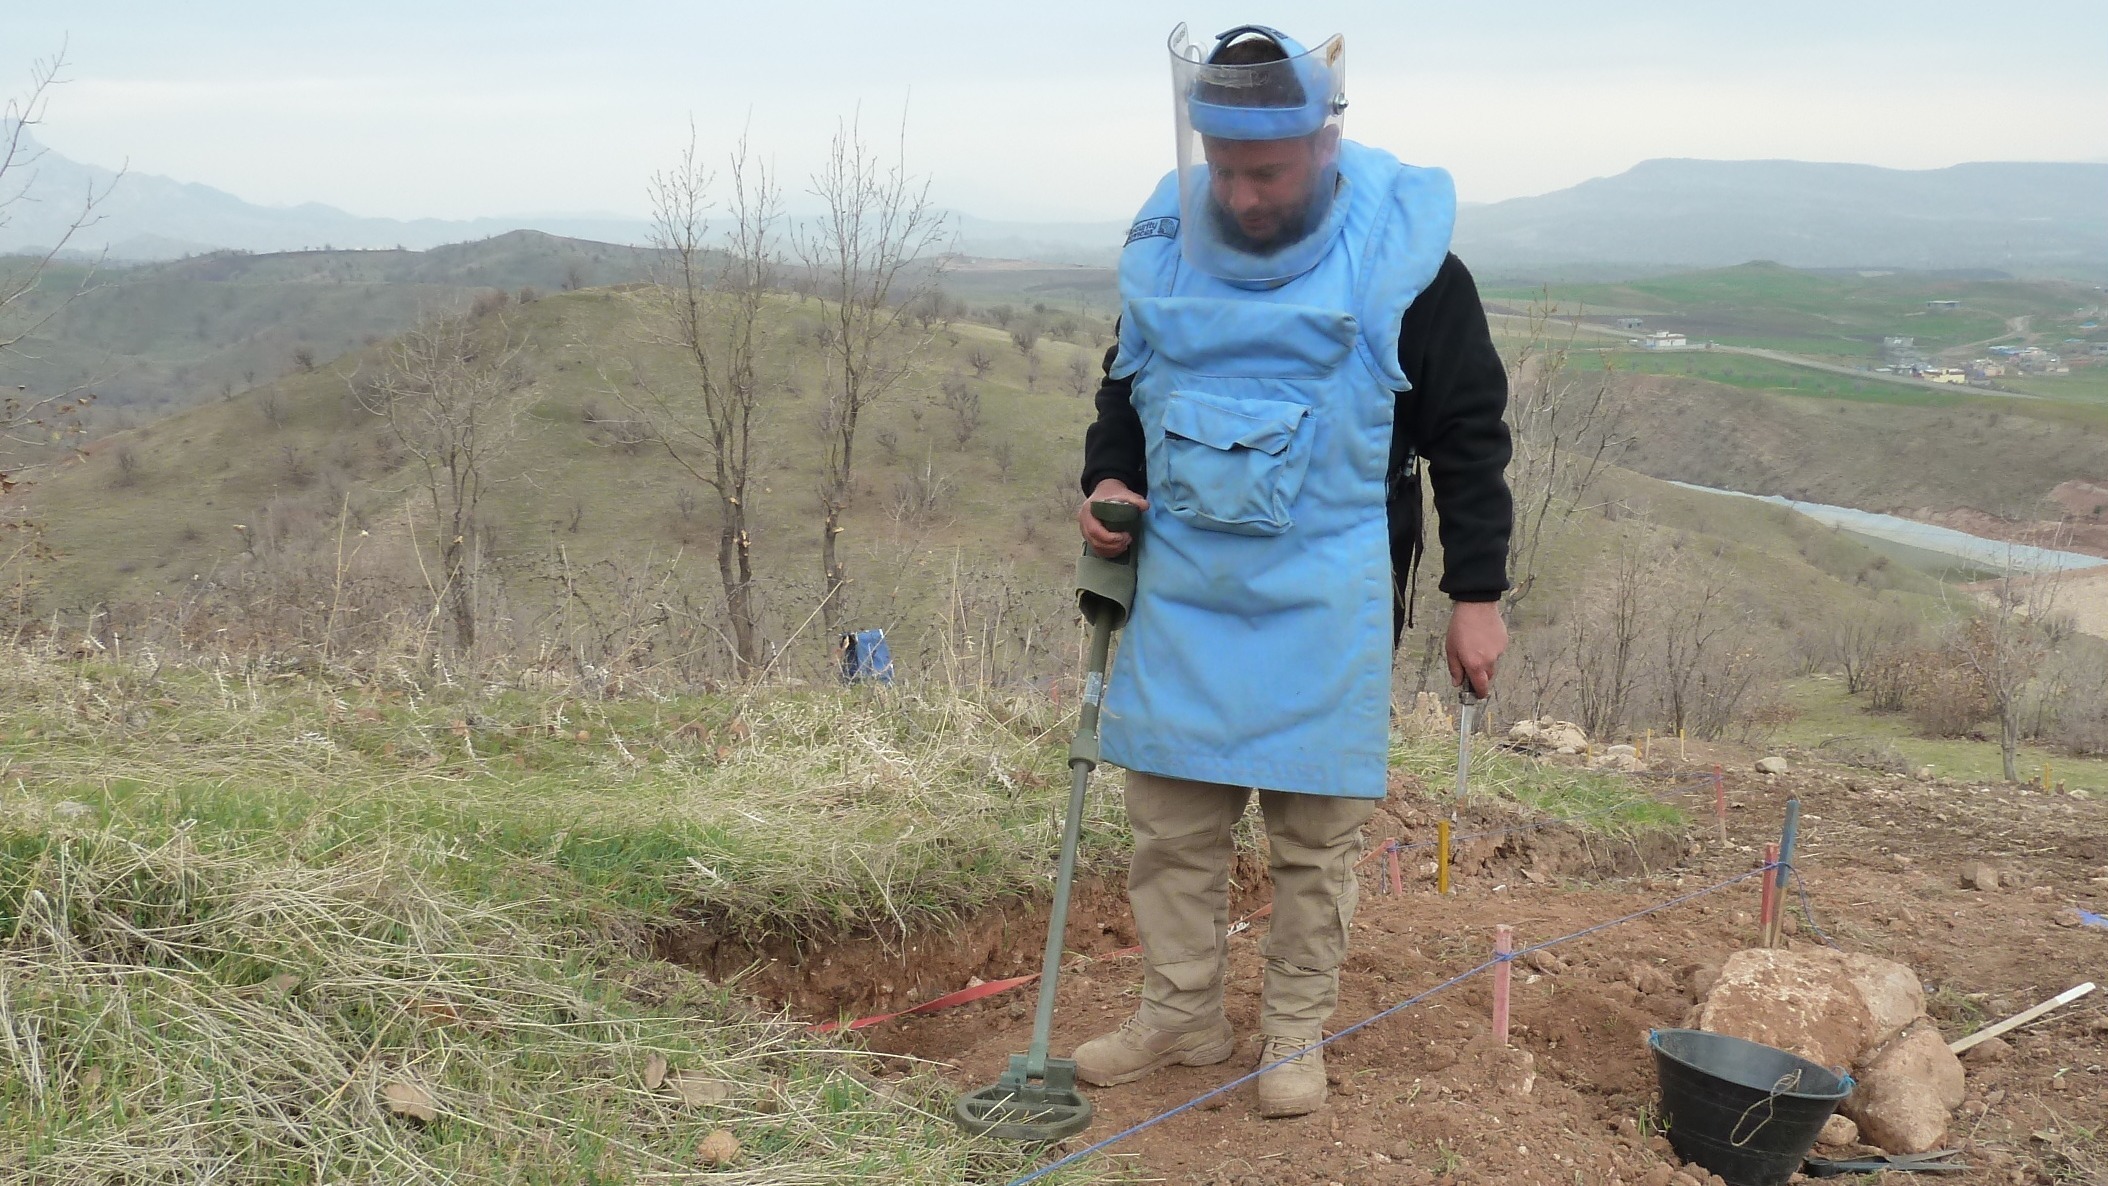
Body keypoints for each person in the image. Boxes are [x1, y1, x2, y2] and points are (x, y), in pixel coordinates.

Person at [1070, 23, 1513, 1119]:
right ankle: (1180, 1014)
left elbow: (1468, 432)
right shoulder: (1167, 245)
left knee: (1313, 839)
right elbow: (1123, 387)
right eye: (1221, 169)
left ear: (1323, 142)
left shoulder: (1408, 263)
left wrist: (1477, 594)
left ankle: (1291, 1034)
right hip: (1185, 587)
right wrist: (1107, 481)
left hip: (1329, 590)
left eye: (1262, 171)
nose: (1243, 194)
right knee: (1170, 820)